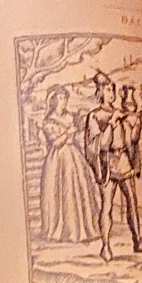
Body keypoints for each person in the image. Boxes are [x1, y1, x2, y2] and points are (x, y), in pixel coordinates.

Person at [85, 71, 142, 262]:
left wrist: (138, 123)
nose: (112, 94)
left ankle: (138, 240)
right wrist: (111, 123)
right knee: (107, 205)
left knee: (132, 201)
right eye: (109, 90)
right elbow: (100, 145)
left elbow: (131, 140)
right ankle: (105, 246)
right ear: (101, 92)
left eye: (113, 90)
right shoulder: (95, 116)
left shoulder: (120, 112)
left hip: (123, 161)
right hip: (108, 164)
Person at [38, 85, 100, 243]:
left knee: (80, 189)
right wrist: (67, 133)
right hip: (58, 159)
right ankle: (63, 231)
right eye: (60, 98)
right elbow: (55, 143)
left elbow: (79, 131)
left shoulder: (70, 117)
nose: (63, 101)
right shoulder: (49, 120)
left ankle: (83, 229)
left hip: (74, 156)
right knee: (62, 192)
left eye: (65, 98)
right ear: (53, 101)